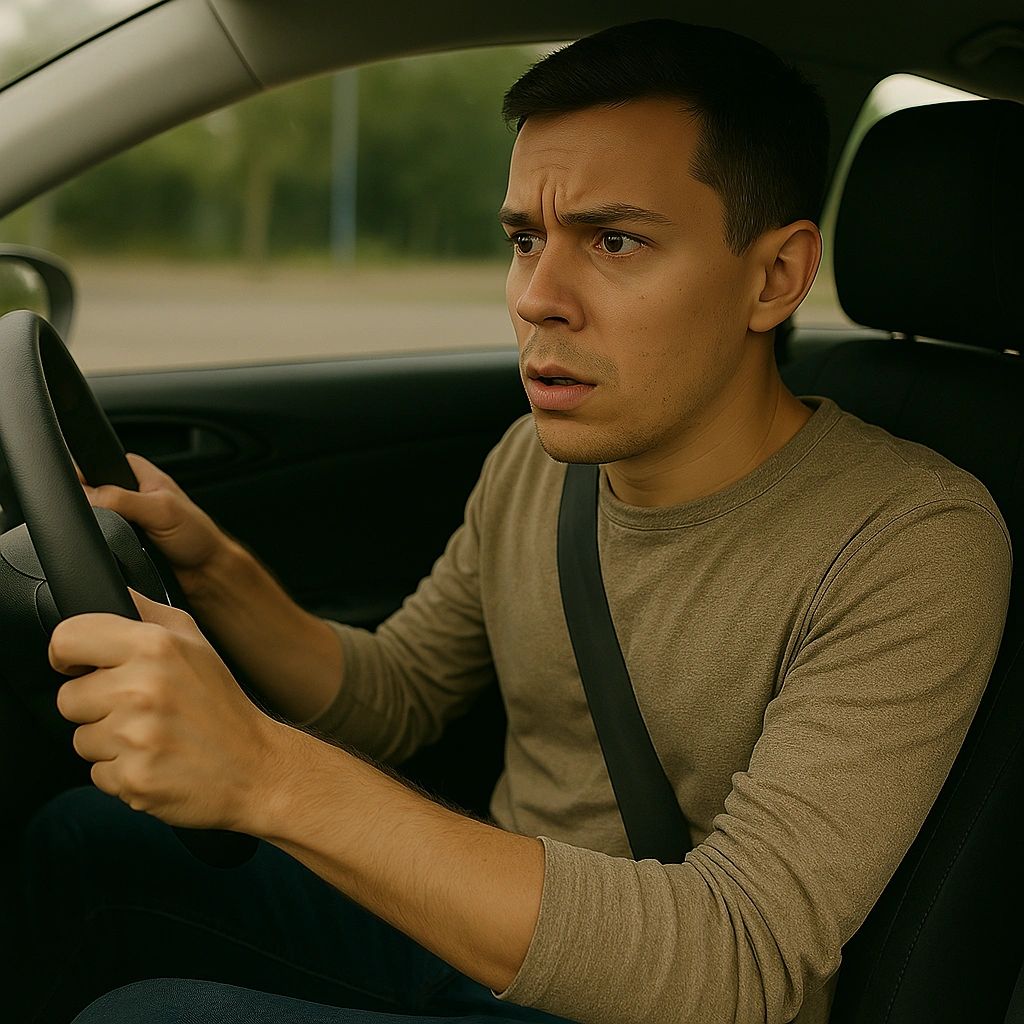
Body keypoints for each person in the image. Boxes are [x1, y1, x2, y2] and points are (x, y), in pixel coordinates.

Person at [6, 17, 1012, 1024]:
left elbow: (740, 960)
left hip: (658, 997)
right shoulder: (538, 460)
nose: (536, 297)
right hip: (480, 932)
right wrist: (214, 563)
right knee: (84, 840)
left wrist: (267, 774)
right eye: (525, 240)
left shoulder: (913, 540)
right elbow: (397, 695)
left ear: (774, 278)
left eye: (613, 241)